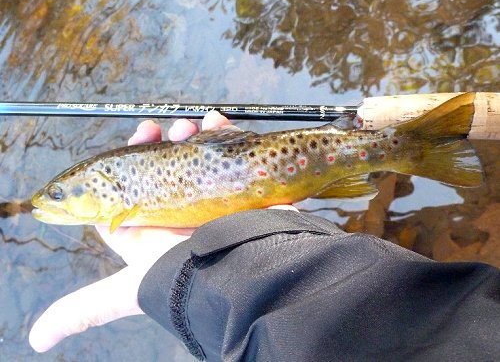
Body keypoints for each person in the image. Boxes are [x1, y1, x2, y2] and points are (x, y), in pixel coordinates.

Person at [30, 112, 500, 361]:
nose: (48, 204)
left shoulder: (127, 209)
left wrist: (201, 280)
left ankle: (412, 146)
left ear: (101, 191)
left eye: (58, 195)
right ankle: (411, 146)